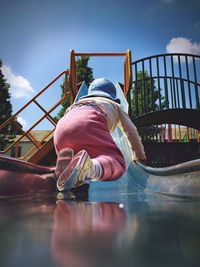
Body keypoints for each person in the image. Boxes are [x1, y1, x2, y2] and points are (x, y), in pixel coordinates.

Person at [54, 78, 146, 191]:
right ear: (112, 96)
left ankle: (62, 169)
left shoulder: (75, 105)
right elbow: (131, 131)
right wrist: (139, 156)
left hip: (61, 128)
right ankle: (90, 168)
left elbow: (66, 125)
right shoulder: (114, 105)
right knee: (117, 162)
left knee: (78, 154)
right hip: (88, 122)